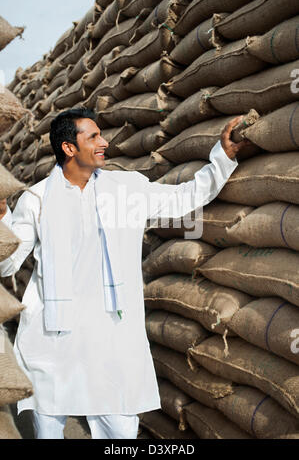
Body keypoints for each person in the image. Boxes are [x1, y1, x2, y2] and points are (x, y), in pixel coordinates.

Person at [0, 108, 250, 439]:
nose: (104, 142)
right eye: (93, 137)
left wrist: (222, 158)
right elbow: (7, 264)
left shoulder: (127, 189)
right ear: (68, 148)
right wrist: (2, 219)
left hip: (111, 340)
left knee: (119, 434)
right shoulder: (36, 201)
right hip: (52, 342)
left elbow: (186, 197)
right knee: (47, 430)